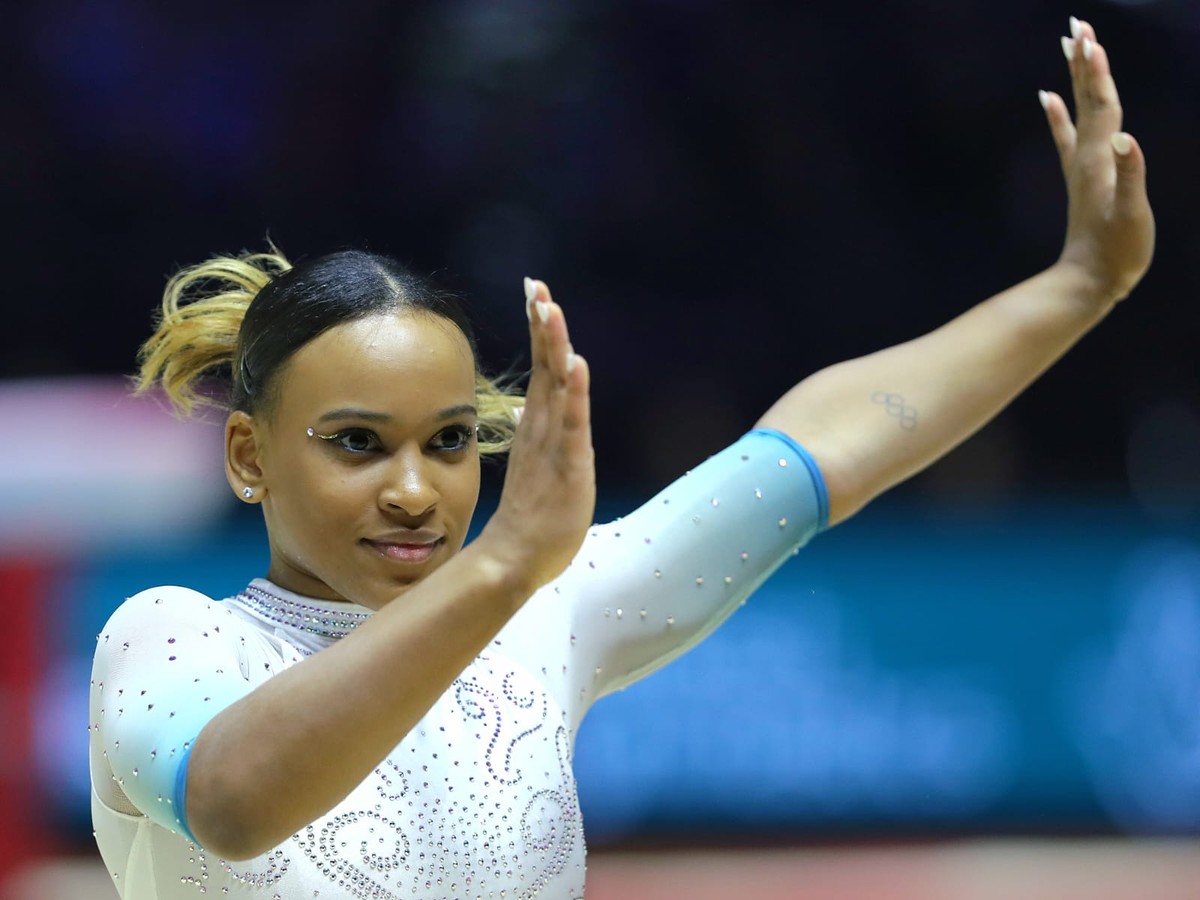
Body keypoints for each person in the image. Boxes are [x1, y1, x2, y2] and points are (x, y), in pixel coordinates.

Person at [89, 19, 1152, 900]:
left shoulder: (543, 616)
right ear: (248, 456)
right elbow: (233, 805)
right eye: (357, 445)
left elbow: (824, 442)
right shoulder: (174, 639)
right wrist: (505, 564)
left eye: (450, 442)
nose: (414, 491)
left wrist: (1075, 289)